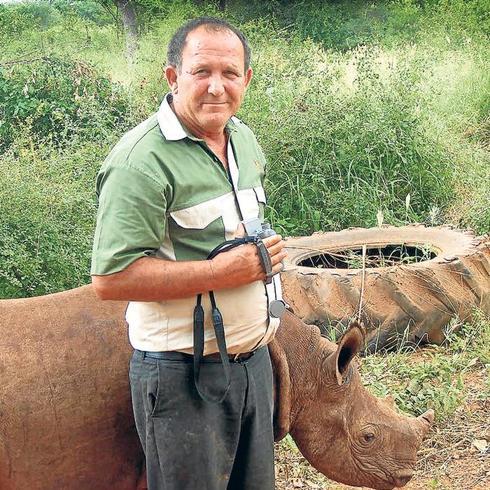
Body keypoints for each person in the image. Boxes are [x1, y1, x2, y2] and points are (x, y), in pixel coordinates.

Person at [91, 16, 287, 490]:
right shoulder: (140, 161)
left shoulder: (242, 138)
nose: (216, 87)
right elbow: (111, 279)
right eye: (201, 72)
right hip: (183, 375)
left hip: (251, 362)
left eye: (230, 73)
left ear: (247, 79)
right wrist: (220, 273)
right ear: (173, 76)